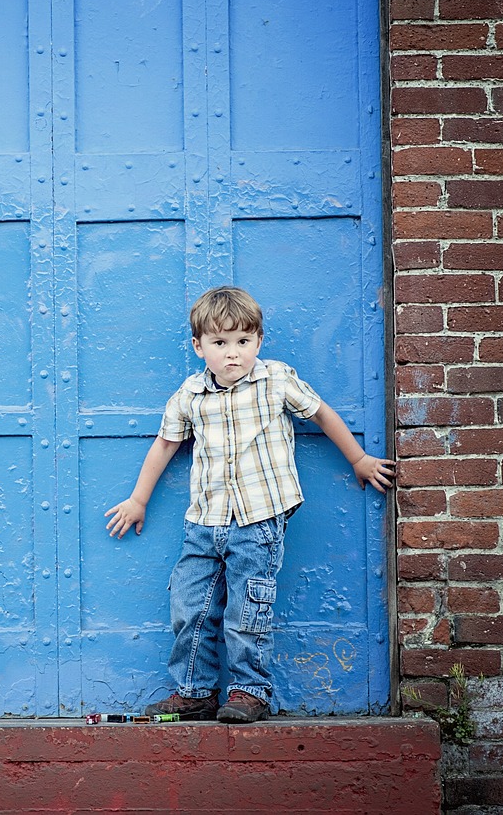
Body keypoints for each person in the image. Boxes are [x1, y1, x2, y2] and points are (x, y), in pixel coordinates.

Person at [104, 286, 394, 723]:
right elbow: (165, 445)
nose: (233, 354)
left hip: (258, 520)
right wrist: (138, 499)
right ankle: (195, 691)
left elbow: (321, 413)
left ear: (259, 341)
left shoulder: (275, 379)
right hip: (204, 520)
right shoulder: (190, 394)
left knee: (248, 608)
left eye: (243, 342)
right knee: (189, 606)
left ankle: (248, 692)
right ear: (199, 346)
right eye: (220, 344)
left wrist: (358, 458)